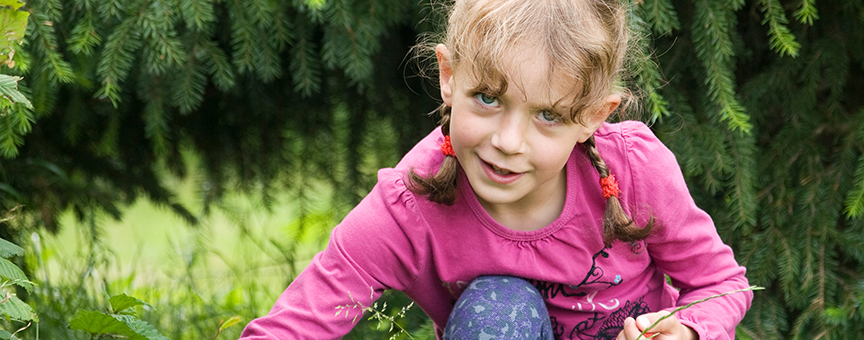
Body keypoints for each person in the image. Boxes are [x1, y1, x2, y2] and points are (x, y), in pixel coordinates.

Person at [239, 0, 753, 339]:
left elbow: (721, 283)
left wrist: (689, 331)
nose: (507, 143)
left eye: (548, 115)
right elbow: (293, 327)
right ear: (448, 77)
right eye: (487, 98)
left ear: (593, 118)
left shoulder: (633, 171)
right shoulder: (410, 206)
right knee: (499, 306)